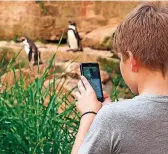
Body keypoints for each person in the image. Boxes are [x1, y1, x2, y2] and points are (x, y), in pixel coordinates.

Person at [71, 3, 168, 154]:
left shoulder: (113, 118)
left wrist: (89, 115)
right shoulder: (115, 115)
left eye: (121, 58)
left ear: (132, 60)